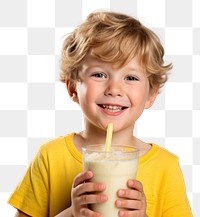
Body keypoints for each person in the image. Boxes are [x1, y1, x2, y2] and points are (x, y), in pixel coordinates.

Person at [8, 11, 193, 217]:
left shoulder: (165, 167)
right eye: (99, 74)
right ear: (72, 88)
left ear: (151, 94)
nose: (114, 89)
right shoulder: (50, 157)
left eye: (130, 77)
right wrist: (70, 214)